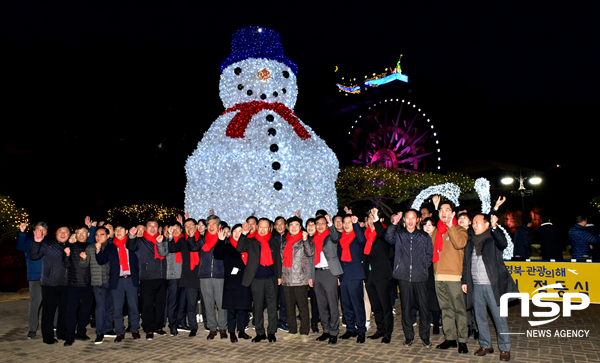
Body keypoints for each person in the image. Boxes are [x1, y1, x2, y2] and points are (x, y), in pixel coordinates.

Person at [462, 214, 518, 362]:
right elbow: (466, 264)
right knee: (480, 318)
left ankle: (505, 348)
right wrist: (465, 281)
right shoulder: (471, 242)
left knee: (499, 319)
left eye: (478, 222)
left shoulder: (492, 239)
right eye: (473, 223)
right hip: (476, 286)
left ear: (487, 225)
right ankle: (486, 345)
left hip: (492, 286)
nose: (474, 225)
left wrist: (495, 227)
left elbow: (503, 243)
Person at [386, 209, 432, 347]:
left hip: (420, 277)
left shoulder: (424, 236)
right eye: (408, 218)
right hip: (404, 277)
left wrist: (422, 267)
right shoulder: (399, 235)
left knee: (424, 309)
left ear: (417, 220)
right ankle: (408, 336)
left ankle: (425, 337)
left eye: (413, 218)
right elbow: (388, 238)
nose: (410, 221)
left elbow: (429, 255)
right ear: (404, 220)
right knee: (406, 309)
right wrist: (394, 224)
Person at [237, 218, 282, 343]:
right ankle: (260, 333)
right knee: (257, 307)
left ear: (270, 228)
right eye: (260, 227)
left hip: (271, 278)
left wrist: (279, 276)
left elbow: (278, 259)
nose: (262, 230)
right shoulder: (251, 241)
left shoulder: (274, 241)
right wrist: (244, 233)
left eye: (265, 227)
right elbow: (240, 248)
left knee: (272, 307)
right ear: (257, 227)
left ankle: (272, 332)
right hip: (256, 279)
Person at [432, 200, 469, 354]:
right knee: (445, 308)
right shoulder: (436, 231)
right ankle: (450, 338)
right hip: (438, 276)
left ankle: (463, 341)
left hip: (454, 276)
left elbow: (460, 243)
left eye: (447, 210)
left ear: (453, 213)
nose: (444, 212)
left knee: (459, 310)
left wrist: (451, 226)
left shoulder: (460, 229)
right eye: (441, 210)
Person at [96, 223, 141, 342]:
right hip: (117, 281)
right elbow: (101, 260)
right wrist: (98, 249)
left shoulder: (132, 243)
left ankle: (135, 329)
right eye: (116, 230)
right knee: (117, 308)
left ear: (126, 231)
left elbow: (137, 257)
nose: (118, 231)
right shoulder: (110, 247)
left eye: (121, 229)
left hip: (131, 279)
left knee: (133, 306)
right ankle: (120, 332)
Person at [126, 219, 168, 340]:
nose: (152, 228)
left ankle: (158, 326)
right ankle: (148, 328)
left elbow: (164, 253)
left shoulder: (162, 239)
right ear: (145, 228)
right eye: (150, 226)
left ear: (158, 228)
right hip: (146, 277)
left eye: (155, 226)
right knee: (147, 305)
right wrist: (132, 236)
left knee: (160, 304)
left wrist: (160, 243)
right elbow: (131, 246)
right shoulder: (140, 241)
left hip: (161, 276)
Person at [29, 226, 71, 345]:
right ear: (56, 233)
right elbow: (34, 255)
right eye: (60, 231)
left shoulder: (70, 246)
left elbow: (68, 264)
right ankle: (48, 337)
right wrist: (36, 242)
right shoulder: (48, 245)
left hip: (65, 283)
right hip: (50, 283)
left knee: (63, 310)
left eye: (66, 232)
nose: (63, 234)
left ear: (69, 234)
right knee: (48, 311)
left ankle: (61, 333)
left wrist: (68, 254)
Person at [213, 224, 253, 343]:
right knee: (231, 310)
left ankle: (241, 331)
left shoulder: (247, 246)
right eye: (235, 231)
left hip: (245, 282)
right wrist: (220, 241)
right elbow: (217, 255)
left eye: (240, 231)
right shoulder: (227, 247)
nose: (237, 233)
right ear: (231, 232)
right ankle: (232, 332)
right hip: (231, 283)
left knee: (242, 309)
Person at [158, 221, 194, 337]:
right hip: (173, 275)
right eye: (172, 229)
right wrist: (169, 238)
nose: (175, 230)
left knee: (183, 302)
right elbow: (162, 253)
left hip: (185, 275)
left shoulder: (184, 240)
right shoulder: (167, 241)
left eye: (177, 227)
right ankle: (172, 325)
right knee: (173, 302)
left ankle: (181, 322)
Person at [281, 216, 314, 343]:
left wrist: (306, 240)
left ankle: (304, 331)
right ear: (288, 227)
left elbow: (310, 253)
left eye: (296, 225)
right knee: (289, 307)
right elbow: (281, 260)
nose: (294, 227)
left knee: (303, 307)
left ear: (300, 227)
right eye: (291, 225)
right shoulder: (285, 241)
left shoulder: (304, 240)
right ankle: (292, 330)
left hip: (300, 279)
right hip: (287, 279)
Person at [363, 208, 394, 344]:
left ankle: (387, 332)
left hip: (382, 274)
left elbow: (381, 234)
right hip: (370, 275)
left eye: (374, 217)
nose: (371, 220)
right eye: (369, 218)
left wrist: (376, 221)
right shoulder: (367, 234)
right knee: (376, 306)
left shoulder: (385, 233)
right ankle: (380, 329)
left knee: (385, 305)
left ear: (380, 220)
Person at [311, 214, 342, 345]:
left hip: (329, 272)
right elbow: (310, 258)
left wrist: (330, 223)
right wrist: (310, 277)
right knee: (321, 304)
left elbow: (336, 237)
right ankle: (326, 330)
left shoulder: (331, 236)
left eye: (322, 223)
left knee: (332, 304)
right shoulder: (313, 239)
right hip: (317, 273)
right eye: (317, 223)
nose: (320, 225)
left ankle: (334, 332)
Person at [336, 214, 367, 343]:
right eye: (345, 222)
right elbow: (338, 258)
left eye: (349, 222)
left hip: (355, 275)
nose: (347, 225)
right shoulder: (341, 239)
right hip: (344, 276)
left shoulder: (357, 237)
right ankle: (350, 329)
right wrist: (338, 275)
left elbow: (362, 239)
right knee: (346, 305)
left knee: (357, 304)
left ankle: (361, 330)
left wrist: (356, 224)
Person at [81, 226, 115, 344]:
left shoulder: (111, 247)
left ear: (107, 235)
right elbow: (84, 265)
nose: (99, 237)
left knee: (110, 306)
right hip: (97, 282)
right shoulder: (90, 248)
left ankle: (109, 328)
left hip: (110, 281)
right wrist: (84, 259)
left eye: (101, 234)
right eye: (97, 235)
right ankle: (100, 331)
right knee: (100, 307)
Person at [16, 221, 49, 339]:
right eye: (38, 229)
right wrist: (22, 232)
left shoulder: (49, 243)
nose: (40, 232)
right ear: (34, 231)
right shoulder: (29, 242)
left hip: (50, 278)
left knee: (52, 303)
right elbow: (19, 246)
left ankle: (54, 326)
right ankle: (32, 329)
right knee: (34, 304)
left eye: (43, 230)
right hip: (35, 278)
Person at [63, 225, 95, 346]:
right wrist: (66, 255)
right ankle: (69, 336)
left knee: (86, 311)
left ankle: (81, 332)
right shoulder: (70, 247)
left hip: (88, 284)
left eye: (84, 232)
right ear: (75, 235)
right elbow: (65, 264)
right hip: (73, 284)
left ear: (88, 234)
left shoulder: (91, 248)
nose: (81, 235)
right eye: (78, 233)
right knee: (71, 311)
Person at [197, 214, 228, 339]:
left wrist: (221, 241)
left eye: (214, 224)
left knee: (221, 304)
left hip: (220, 275)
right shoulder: (202, 240)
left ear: (219, 226)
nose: (211, 227)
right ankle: (212, 328)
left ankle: (223, 328)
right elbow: (193, 246)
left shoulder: (224, 240)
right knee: (208, 304)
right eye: (208, 224)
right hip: (204, 276)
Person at [422, 218, 442, 335]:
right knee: (425, 297)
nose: (428, 227)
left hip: (435, 269)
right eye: (425, 225)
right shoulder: (420, 238)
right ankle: (426, 321)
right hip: (423, 271)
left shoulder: (438, 237)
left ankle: (436, 321)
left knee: (435, 297)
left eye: (431, 225)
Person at [272, 215, 289, 331]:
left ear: (286, 225)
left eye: (282, 223)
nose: (279, 226)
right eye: (277, 224)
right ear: (273, 226)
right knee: (272, 300)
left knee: (284, 300)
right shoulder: (271, 238)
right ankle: (273, 322)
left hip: (287, 273)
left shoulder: (290, 238)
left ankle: (282, 321)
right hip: (272, 273)